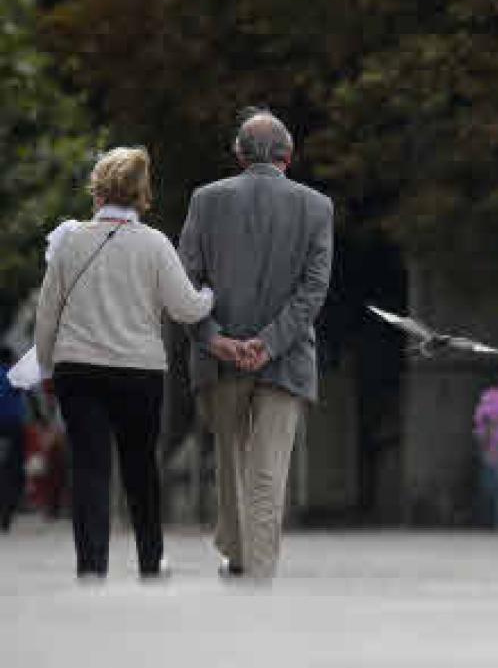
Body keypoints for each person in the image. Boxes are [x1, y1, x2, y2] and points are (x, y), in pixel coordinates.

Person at [34, 147, 215, 580]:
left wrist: (45, 368)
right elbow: (187, 308)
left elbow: (47, 313)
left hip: (78, 369)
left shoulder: (71, 241)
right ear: (141, 193)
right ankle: (150, 561)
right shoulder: (153, 244)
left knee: (90, 468)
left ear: (97, 189)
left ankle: (92, 566)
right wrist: (210, 294)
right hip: (138, 372)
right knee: (140, 466)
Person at [179, 108, 333, 580]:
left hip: (220, 360)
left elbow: (185, 282)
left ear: (238, 154)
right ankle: (258, 567)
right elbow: (313, 290)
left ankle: (240, 555)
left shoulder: (206, 200)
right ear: (289, 155)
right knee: (268, 469)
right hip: (286, 361)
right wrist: (269, 344)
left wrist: (215, 339)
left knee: (231, 461)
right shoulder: (317, 206)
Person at [0, 346, 28, 532]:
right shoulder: (15, 375)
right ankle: (7, 513)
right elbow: (30, 398)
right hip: (13, 427)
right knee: (13, 469)